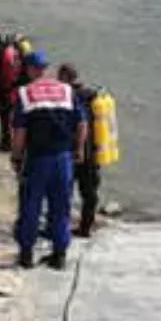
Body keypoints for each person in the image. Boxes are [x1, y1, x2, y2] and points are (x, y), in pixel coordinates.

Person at [11, 51, 86, 270]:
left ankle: (26, 254)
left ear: (30, 69)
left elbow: (20, 131)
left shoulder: (25, 94)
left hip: (37, 159)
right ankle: (59, 255)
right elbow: (82, 124)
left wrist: (16, 157)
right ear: (46, 69)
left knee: (30, 206)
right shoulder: (66, 90)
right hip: (63, 158)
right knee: (61, 207)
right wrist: (79, 149)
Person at [58, 64, 102, 238]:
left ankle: (60, 226)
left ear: (65, 77)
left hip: (74, 151)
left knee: (63, 191)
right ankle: (86, 227)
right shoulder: (92, 95)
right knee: (90, 193)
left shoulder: (69, 97)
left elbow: (74, 124)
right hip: (93, 152)